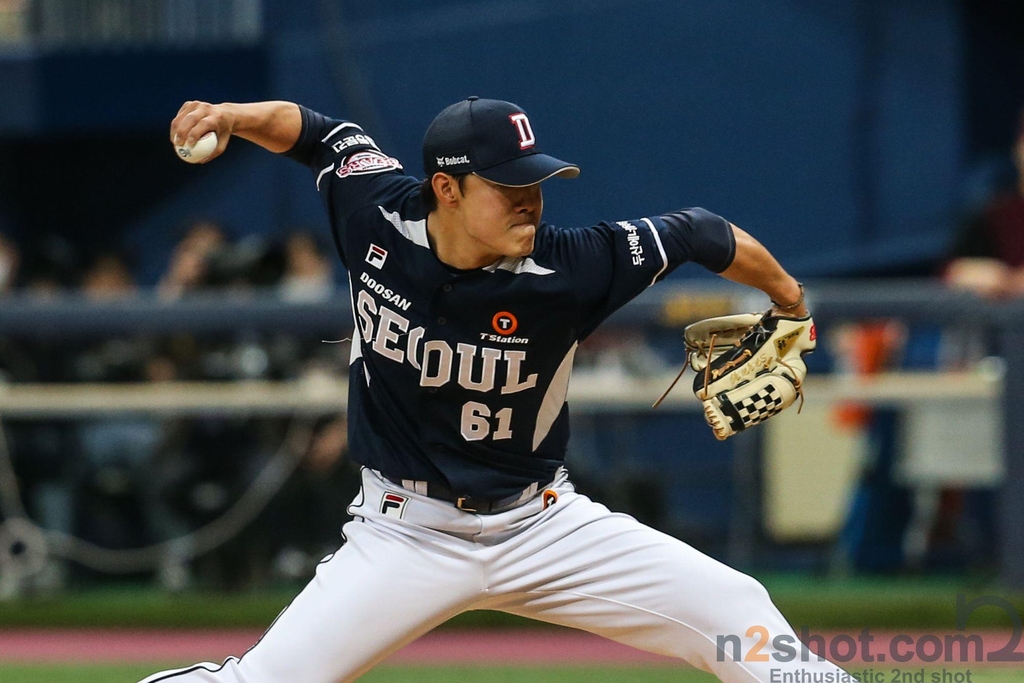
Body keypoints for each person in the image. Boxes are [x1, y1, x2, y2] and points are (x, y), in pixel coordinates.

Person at [146, 97, 848, 683]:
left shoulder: (573, 265)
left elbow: (700, 232)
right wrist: (232, 116)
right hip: (404, 533)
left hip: (541, 525)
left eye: (536, 183)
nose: (531, 203)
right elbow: (316, 133)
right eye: (509, 188)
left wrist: (789, 300)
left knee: (740, 613)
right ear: (447, 189)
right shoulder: (372, 211)